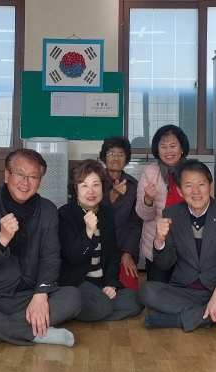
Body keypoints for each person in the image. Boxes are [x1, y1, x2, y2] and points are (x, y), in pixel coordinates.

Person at [0, 149, 82, 348]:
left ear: (40, 182)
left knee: (73, 298)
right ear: (6, 175)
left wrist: (40, 294)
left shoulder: (48, 210)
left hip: (28, 295)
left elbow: (51, 258)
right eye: (19, 174)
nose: (25, 182)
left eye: (33, 176)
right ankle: (35, 333)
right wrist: (2, 239)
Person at [139, 160, 216, 332]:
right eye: (189, 186)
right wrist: (159, 241)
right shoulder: (171, 213)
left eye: (201, 184)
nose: (196, 191)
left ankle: (178, 320)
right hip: (184, 291)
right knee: (147, 291)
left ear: (210, 186)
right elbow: (165, 264)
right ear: (180, 190)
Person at [58, 160, 143, 322]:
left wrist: (110, 284)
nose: (91, 191)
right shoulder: (65, 214)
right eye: (84, 185)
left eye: (96, 185)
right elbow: (70, 257)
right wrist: (88, 233)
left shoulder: (106, 213)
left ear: (103, 187)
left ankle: (82, 309)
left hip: (101, 283)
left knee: (137, 301)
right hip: (78, 283)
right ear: (75, 188)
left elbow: (113, 254)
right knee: (101, 306)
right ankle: (92, 307)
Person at [136, 125, 189, 283]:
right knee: (157, 289)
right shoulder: (149, 172)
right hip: (158, 243)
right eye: (163, 146)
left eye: (173, 146)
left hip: (189, 244)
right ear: (157, 150)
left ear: (182, 148)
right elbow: (143, 215)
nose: (168, 151)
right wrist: (148, 200)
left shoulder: (194, 172)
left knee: (186, 289)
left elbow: (208, 207)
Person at [99, 136, 143, 290]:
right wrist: (112, 196)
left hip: (122, 249)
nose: (116, 158)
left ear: (126, 158)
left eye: (120, 154)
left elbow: (135, 224)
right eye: (111, 153)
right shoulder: (95, 181)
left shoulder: (133, 186)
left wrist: (128, 252)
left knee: (130, 290)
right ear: (104, 157)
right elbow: (89, 210)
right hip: (96, 249)